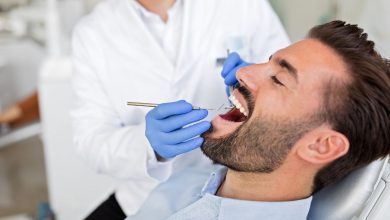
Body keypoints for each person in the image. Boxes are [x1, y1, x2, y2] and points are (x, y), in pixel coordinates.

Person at [126, 20, 390, 219]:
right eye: (267, 61)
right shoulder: (187, 181)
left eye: (278, 79)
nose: (242, 72)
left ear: (320, 145)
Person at [71, 0, 289, 218]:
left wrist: (259, 81)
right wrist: (147, 146)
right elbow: (91, 139)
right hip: (143, 200)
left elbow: (295, 93)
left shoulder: (243, 5)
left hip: (235, 193)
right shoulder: (93, 33)